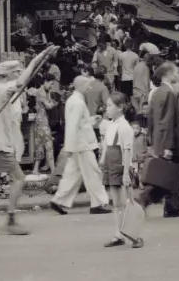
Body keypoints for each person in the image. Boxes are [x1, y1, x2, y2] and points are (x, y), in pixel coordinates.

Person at [0, 46, 57, 236]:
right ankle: (10, 220)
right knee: (19, 179)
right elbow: (21, 81)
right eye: (16, 71)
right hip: (0, 145)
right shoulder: (2, 89)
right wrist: (40, 57)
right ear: (9, 74)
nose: (19, 74)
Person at [50, 75, 111, 215]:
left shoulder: (74, 100)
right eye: (88, 85)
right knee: (93, 173)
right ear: (82, 86)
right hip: (83, 144)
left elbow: (77, 123)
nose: (89, 87)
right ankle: (98, 203)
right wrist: (69, 147)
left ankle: (59, 200)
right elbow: (73, 125)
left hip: (79, 144)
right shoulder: (77, 102)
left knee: (72, 174)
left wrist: (90, 120)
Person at [137, 62, 179, 218]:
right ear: (168, 74)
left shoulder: (157, 93)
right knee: (165, 176)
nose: (176, 75)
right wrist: (168, 146)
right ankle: (143, 199)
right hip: (170, 141)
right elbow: (166, 121)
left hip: (162, 140)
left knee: (170, 174)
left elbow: (154, 121)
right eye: (174, 72)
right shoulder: (168, 93)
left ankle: (172, 207)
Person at [100, 92, 143, 249]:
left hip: (121, 166)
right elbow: (106, 145)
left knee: (126, 203)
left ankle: (133, 235)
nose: (107, 108)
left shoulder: (125, 127)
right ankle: (118, 234)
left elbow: (127, 151)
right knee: (117, 203)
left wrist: (126, 173)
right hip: (111, 166)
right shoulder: (111, 125)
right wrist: (103, 161)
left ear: (120, 108)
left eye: (110, 105)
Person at [30, 75, 57, 175]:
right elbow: (49, 106)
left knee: (40, 146)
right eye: (51, 83)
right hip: (43, 122)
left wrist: (49, 93)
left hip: (40, 121)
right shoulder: (41, 92)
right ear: (46, 81)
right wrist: (55, 102)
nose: (51, 86)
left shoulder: (42, 92)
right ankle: (53, 170)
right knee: (49, 146)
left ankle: (36, 169)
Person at [132, 50, 151, 116]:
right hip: (142, 92)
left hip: (135, 90)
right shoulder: (146, 67)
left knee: (137, 112)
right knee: (143, 113)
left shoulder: (136, 66)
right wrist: (148, 93)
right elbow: (146, 81)